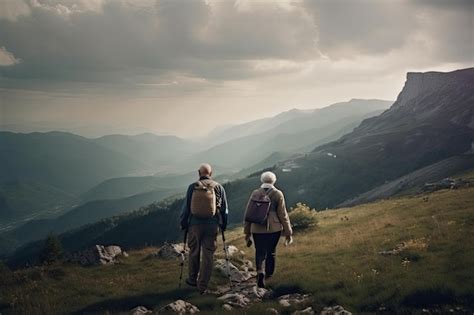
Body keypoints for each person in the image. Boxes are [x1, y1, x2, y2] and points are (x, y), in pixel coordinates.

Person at [180, 163, 228, 294]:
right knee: (208, 254)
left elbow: (186, 209)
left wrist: (183, 223)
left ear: (198, 173)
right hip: (212, 225)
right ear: (211, 174)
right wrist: (223, 224)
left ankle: (192, 279)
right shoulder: (218, 187)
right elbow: (225, 209)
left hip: (194, 225)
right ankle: (202, 285)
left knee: (194, 251)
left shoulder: (192, 187)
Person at [244, 171, 293, 288]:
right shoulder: (278, 194)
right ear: (274, 181)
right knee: (271, 252)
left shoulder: (255, 193)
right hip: (273, 228)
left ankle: (260, 271)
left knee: (259, 251)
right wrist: (288, 232)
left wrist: (247, 231)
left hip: (257, 228)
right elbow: (283, 214)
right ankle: (269, 275)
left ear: (262, 180)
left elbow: (248, 213)